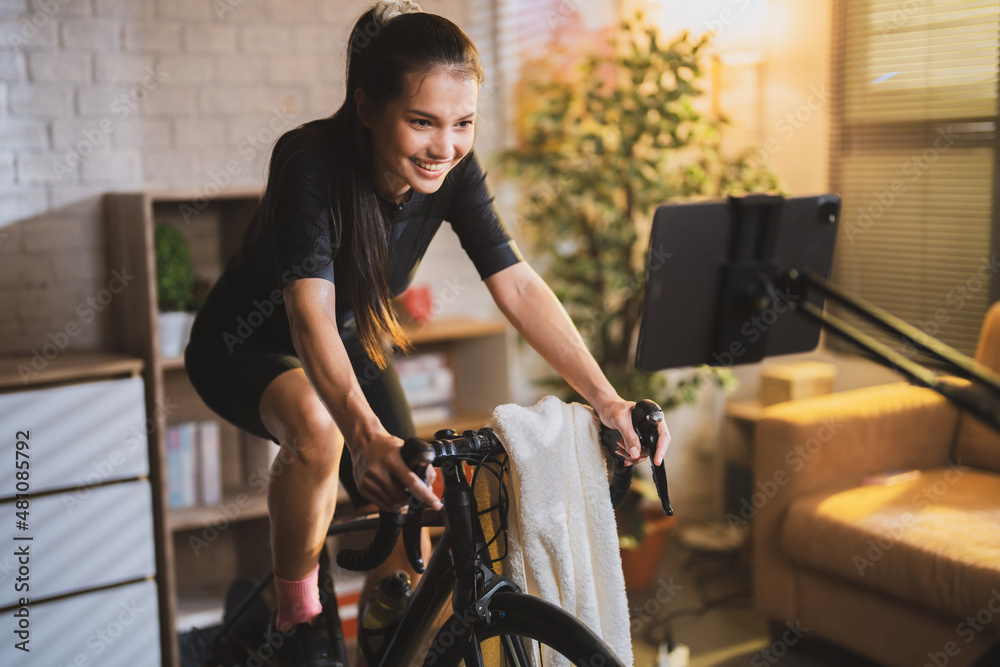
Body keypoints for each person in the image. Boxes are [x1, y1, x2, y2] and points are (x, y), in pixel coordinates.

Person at [185, 1, 670, 665]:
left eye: (462, 123)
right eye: (422, 121)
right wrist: (363, 438)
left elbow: (519, 284)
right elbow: (308, 316)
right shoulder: (308, 161)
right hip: (244, 347)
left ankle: (387, 635)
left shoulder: (453, 172)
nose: (445, 145)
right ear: (366, 108)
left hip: (350, 344)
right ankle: (297, 619)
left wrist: (606, 398)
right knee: (321, 432)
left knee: (408, 502)